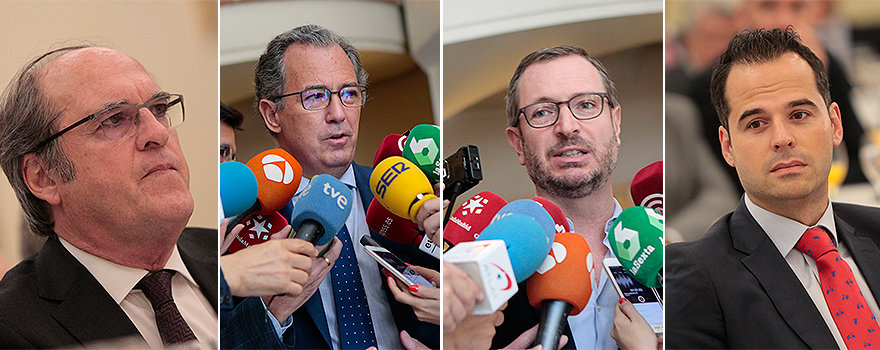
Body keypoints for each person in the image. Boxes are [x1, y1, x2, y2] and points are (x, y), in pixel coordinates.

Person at [221, 24, 440, 349]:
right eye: (315, 96)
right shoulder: (239, 225)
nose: (339, 114)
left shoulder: (413, 195)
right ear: (272, 115)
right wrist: (273, 312)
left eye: (350, 94)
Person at [666, 27, 880, 349]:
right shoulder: (696, 276)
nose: (782, 138)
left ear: (835, 125)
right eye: (756, 123)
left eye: (799, 114)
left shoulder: (875, 231)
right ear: (727, 147)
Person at [0, 45, 217, 348]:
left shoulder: (228, 255)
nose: (158, 133)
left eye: (159, 109)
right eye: (114, 120)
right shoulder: (11, 328)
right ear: (43, 176)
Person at [489, 45, 660, 350]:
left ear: (616, 124)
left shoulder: (671, 254)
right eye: (542, 112)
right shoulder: (491, 266)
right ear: (518, 143)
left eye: (585, 105)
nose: (567, 127)